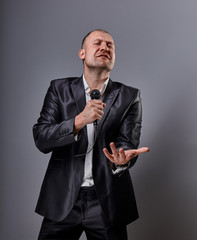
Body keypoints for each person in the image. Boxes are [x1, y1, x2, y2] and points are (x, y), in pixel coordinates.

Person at [33, 29, 149, 240]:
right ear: (82, 53)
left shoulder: (130, 96)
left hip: (106, 201)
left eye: (110, 45)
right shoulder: (59, 89)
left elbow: (126, 142)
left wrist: (120, 161)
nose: (105, 47)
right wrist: (78, 121)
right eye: (98, 43)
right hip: (63, 199)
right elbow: (41, 138)